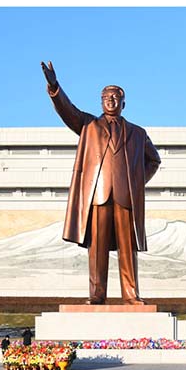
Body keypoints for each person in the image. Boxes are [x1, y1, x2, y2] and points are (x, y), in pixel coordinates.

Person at [41, 60, 161, 305]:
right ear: (101, 101)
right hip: (98, 195)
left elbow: (154, 160)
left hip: (125, 197)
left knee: (128, 248)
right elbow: (67, 110)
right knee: (97, 247)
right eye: (106, 97)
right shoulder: (89, 125)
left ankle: (131, 295)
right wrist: (54, 87)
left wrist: (137, 182)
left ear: (123, 103)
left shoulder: (138, 133)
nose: (111, 100)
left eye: (116, 97)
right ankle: (97, 294)